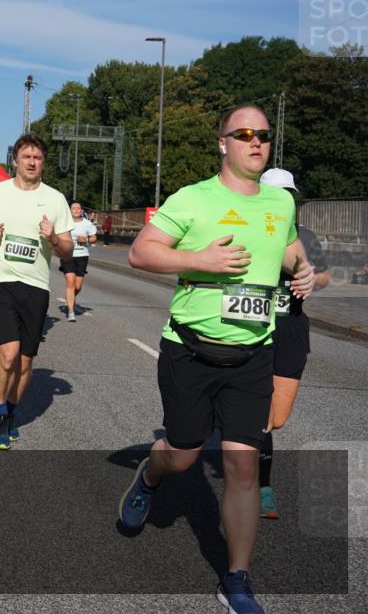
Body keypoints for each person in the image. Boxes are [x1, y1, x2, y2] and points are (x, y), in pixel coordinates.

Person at [117, 104, 316, 614]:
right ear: (223, 143)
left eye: (264, 135)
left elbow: (289, 249)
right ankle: (151, 475)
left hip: (253, 355)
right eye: (244, 134)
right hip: (190, 351)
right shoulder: (193, 199)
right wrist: (197, 260)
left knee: (242, 466)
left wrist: (305, 271)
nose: (256, 142)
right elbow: (141, 252)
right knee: (182, 453)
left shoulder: (280, 203)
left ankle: (237, 580)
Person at [0, 134, 73, 450]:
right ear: (15, 160)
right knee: (8, 354)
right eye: (27, 157)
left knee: (24, 362)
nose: (32, 162)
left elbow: (67, 250)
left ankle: (10, 411)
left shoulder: (55, 199)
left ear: (43, 163)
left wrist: (53, 237)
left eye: (37, 157)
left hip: (36, 285)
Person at [257, 168, 330, 520]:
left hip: (292, 330)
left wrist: (311, 276)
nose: (285, 198)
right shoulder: (248, 228)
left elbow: (327, 274)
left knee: (278, 418)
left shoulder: (304, 234)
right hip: (255, 328)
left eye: (289, 193)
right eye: (278, 192)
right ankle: (262, 487)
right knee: (261, 417)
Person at [60, 201, 97, 321]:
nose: (76, 210)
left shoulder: (87, 224)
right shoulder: (64, 223)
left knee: (77, 286)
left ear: (82, 211)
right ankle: (71, 312)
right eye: (73, 208)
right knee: (70, 282)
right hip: (68, 255)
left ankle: (69, 297)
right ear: (69, 210)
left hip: (82, 256)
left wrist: (86, 239)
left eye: (78, 208)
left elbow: (94, 238)